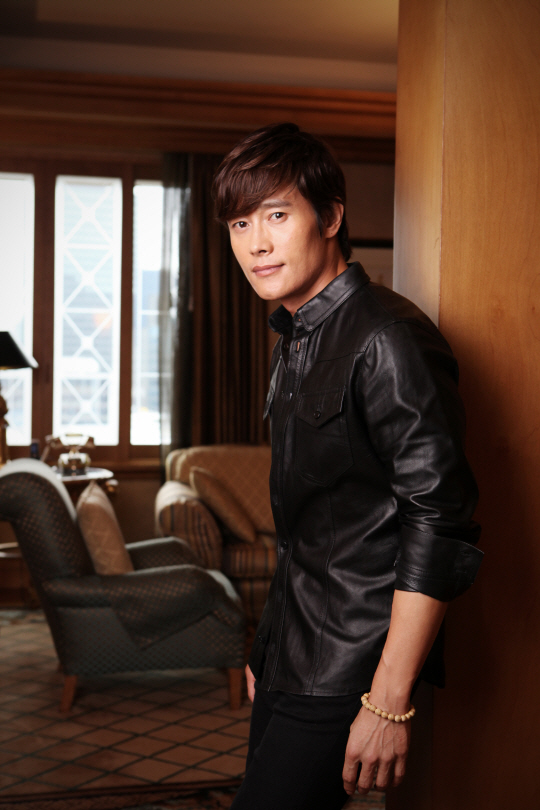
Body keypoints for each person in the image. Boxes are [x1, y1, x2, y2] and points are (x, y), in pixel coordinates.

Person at [212, 122, 483, 809]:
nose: (256, 243)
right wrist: (268, 647)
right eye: (240, 223)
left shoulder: (388, 337)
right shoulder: (296, 335)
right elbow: (311, 530)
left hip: (351, 663)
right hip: (292, 651)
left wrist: (388, 700)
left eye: (277, 215)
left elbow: (439, 524)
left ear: (330, 217)